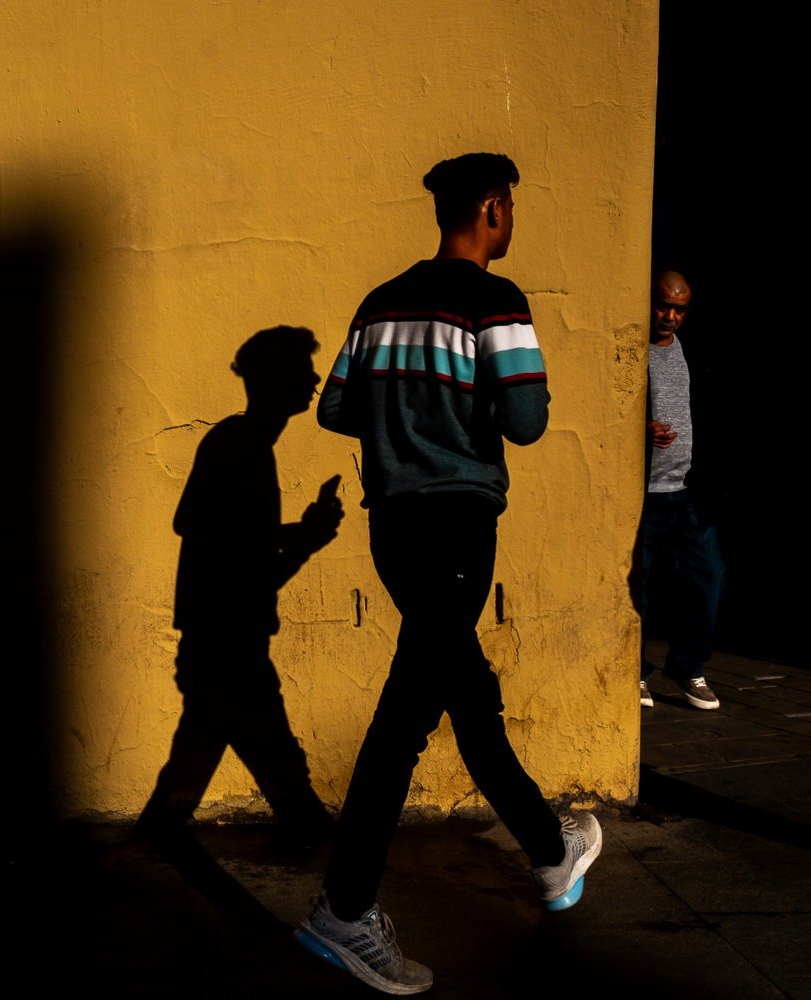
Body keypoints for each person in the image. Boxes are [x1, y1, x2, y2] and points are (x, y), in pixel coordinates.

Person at [294, 153, 602, 995]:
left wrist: (404, 420)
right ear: (495, 210)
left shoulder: (378, 303)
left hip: (393, 529)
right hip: (461, 527)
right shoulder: (495, 301)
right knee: (405, 718)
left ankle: (548, 850)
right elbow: (528, 420)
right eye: (512, 210)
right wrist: (462, 413)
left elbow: (335, 409)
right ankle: (344, 910)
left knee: (465, 694)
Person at [136, 325, 345, 858]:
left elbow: (216, 530)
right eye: (303, 370)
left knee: (210, 743)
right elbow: (232, 546)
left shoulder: (236, 442)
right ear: (276, 380)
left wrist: (300, 534)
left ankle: (159, 835)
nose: (315, 378)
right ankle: (322, 849)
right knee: (267, 749)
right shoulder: (243, 446)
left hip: (220, 635)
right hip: (229, 637)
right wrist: (306, 540)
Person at [633, 270, 725, 711]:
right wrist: (640, 431)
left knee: (706, 578)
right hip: (645, 494)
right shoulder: (631, 348)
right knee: (642, 587)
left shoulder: (696, 351)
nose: (669, 316)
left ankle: (688, 667)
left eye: (679, 308)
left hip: (688, 492)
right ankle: (635, 671)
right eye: (663, 305)